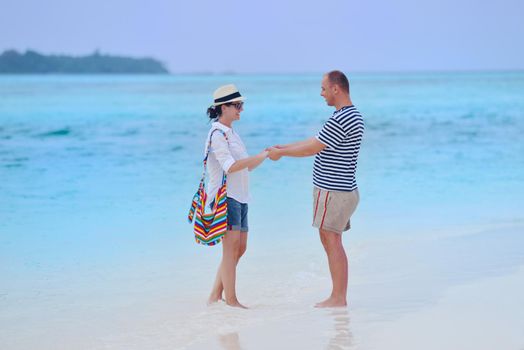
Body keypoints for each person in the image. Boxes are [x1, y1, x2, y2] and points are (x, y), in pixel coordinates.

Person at [267, 71, 364, 308]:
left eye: (323, 88)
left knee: (332, 240)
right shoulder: (346, 115)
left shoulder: (343, 118)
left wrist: (282, 153)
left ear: (336, 89)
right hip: (340, 190)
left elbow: (313, 148)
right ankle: (337, 296)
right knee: (330, 238)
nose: (321, 94)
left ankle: (338, 298)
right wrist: (284, 146)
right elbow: (317, 140)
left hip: (335, 191)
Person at [205, 84, 268, 309]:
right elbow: (230, 167)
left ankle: (215, 295)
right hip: (226, 198)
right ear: (224, 107)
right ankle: (231, 301)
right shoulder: (217, 134)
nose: (241, 109)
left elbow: (246, 167)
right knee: (230, 249)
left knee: (240, 248)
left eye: (242, 105)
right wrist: (261, 156)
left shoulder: (232, 132)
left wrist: (265, 155)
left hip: (241, 197)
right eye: (237, 105)